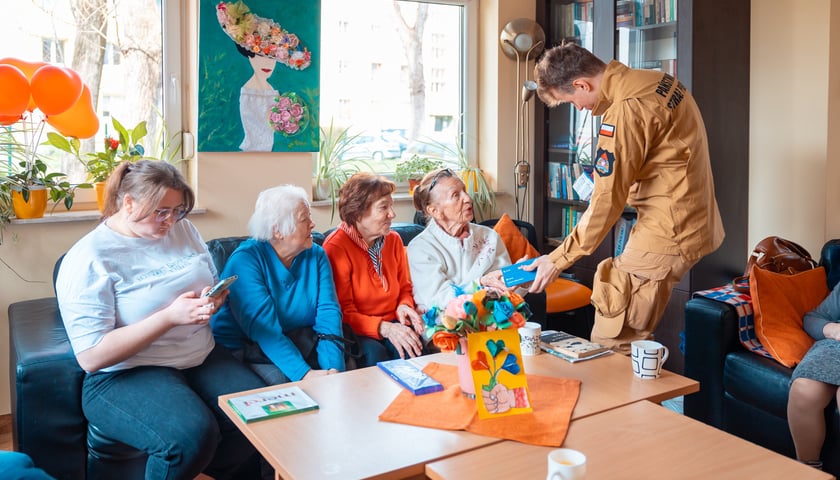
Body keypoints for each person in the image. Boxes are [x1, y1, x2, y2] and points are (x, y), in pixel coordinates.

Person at [55, 160, 266, 479]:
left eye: (178, 210)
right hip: (125, 373)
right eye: (161, 211)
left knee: (257, 411)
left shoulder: (183, 228)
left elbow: (209, 278)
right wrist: (169, 317)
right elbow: (91, 356)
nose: (172, 220)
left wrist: (213, 299)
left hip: (200, 354)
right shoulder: (90, 258)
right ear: (129, 203)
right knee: (191, 434)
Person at [526, 42, 724, 353]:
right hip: (692, 220)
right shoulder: (655, 80)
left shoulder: (625, 109)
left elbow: (607, 200)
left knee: (613, 339)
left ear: (581, 84)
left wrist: (557, 259)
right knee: (630, 333)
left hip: (669, 229)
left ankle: (626, 401)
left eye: (571, 100)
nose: (578, 108)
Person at [211, 185, 345, 385]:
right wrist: (305, 375)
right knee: (284, 387)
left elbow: (328, 312)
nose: (312, 224)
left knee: (341, 379)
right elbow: (264, 330)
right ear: (278, 230)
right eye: (304, 219)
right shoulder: (245, 261)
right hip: (246, 348)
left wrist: (333, 370)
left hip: (297, 340)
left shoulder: (316, 255)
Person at [407, 168, 545, 324]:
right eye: (456, 195)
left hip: (491, 322)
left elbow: (503, 290)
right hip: (445, 328)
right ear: (435, 211)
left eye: (465, 191)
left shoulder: (489, 236)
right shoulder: (421, 247)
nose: (467, 198)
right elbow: (439, 299)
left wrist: (520, 280)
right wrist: (481, 282)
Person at [323, 173, 424, 367]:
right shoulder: (336, 248)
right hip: (358, 331)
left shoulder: (393, 240)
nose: (392, 214)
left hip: (394, 321)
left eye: (391, 206)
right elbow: (342, 311)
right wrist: (383, 328)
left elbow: (404, 287)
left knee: (414, 352)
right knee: (375, 356)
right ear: (358, 213)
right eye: (383, 207)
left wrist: (404, 305)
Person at [216, 1, 312, 152]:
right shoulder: (248, 92)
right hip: (251, 150)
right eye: (260, 57)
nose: (267, 64)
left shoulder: (273, 91)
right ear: (249, 56)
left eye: (272, 58)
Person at [787, 283, 840, 471]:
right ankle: (808, 471)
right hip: (836, 348)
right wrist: (833, 329)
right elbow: (813, 318)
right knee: (803, 390)